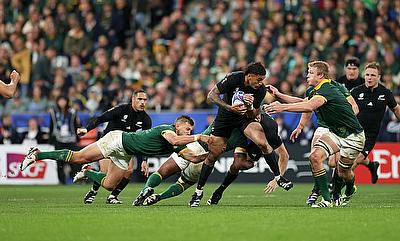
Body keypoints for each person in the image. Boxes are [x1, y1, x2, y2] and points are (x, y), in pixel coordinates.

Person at [20, 116, 210, 195]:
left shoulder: (177, 142)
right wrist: (199, 136)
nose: (189, 131)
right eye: (187, 128)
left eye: (191, 130)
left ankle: (87, 173)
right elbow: (175, 141)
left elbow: (192, 158)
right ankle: (38, 154)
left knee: (110, 185)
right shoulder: (167, 130)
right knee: (79, 157)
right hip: (117, 140)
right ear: (178, 125)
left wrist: (209, 155)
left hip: (125, 153)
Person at [189, 62, 291, 208]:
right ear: (249, 76)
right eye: (259, 79)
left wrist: (249, 105)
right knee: (213, 155)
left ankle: (278, 177)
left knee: (262, 143)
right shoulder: (234, 78)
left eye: (263, 79)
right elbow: (211, 96)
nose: (261, 83)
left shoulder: (260, 90)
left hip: (244, 120)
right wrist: (229, 107)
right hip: (226, 117)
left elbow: (254, 114)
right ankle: (198, 192)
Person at [133, 113, 290, 206]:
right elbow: (240, 161)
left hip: (196, 146)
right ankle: (158, 198)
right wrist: (254, 161)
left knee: (163, 171)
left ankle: (146, 190)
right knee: (183, 183)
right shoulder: (245, 133)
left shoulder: (230, 117)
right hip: (206, 156)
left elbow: (239, 161)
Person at [265, 61, 365, 208]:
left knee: (344, 172)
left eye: (311, 72)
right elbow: (302, 101)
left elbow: (310, 106)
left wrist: (282, 108)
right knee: (314, 157)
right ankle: (326, 199)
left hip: (353, 136)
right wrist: (279, 95)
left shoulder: (328, 89)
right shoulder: (314, 90)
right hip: (335, 133)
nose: (307, 75)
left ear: (321, 75)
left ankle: (349, 189)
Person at [78, 89, 152, 204]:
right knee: (105, 173)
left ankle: (112, 196)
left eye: (145, 100)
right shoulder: (121, 109)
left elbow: (146, 141)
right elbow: (101, 118)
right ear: (133, 99)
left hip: (124, 147)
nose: (142, 102)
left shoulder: (146, 119)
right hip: (108, 144)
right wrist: (86, 129)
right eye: (139, 99)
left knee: (129, 171)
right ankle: (93, 190)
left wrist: (144, 160)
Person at [350, 62, 400, 183]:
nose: (370, 77)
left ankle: (336, 192)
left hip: (370, 135)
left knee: (354, 163)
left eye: (373, 75)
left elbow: (396, 108)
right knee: (338, 162)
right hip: (354, 132)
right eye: (367, 75)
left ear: (378, 77)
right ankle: (372, 166)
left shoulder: (385, 93)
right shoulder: (355, 92)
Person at [49, 95, 82, 184]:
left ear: (67, 101)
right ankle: (62, 181)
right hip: (59, 140)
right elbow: (51, 126)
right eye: (60, 101)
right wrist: (51, 139)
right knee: (59, 162)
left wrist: (77, 139)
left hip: (71, 140)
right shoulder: (54, 112)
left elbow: (76, 125)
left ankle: (75, 178)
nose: (62, 103)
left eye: (64, 100)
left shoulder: (72, 112)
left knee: (75, 160)